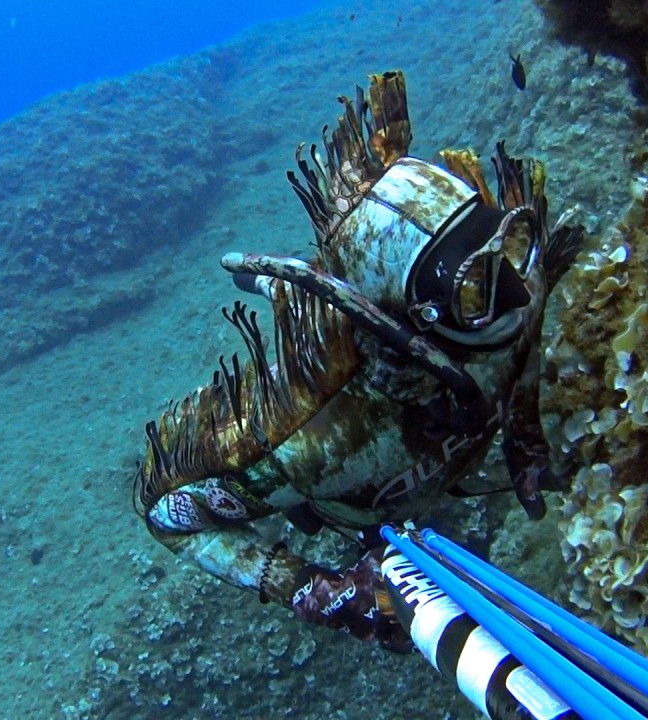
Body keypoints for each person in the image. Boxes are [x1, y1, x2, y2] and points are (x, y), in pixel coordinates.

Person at [133, 71, 584, 649]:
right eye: (474, 289)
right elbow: (168, 516)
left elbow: (525, 323)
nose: (515, 296)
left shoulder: (522, 278)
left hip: (393, 391)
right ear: (415, 314)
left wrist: (525, 440)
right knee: (314, 303)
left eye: (508, 241)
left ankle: (294, 284)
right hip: (360, 497)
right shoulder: (311, 446)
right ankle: (277, 285)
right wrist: (320, 591)